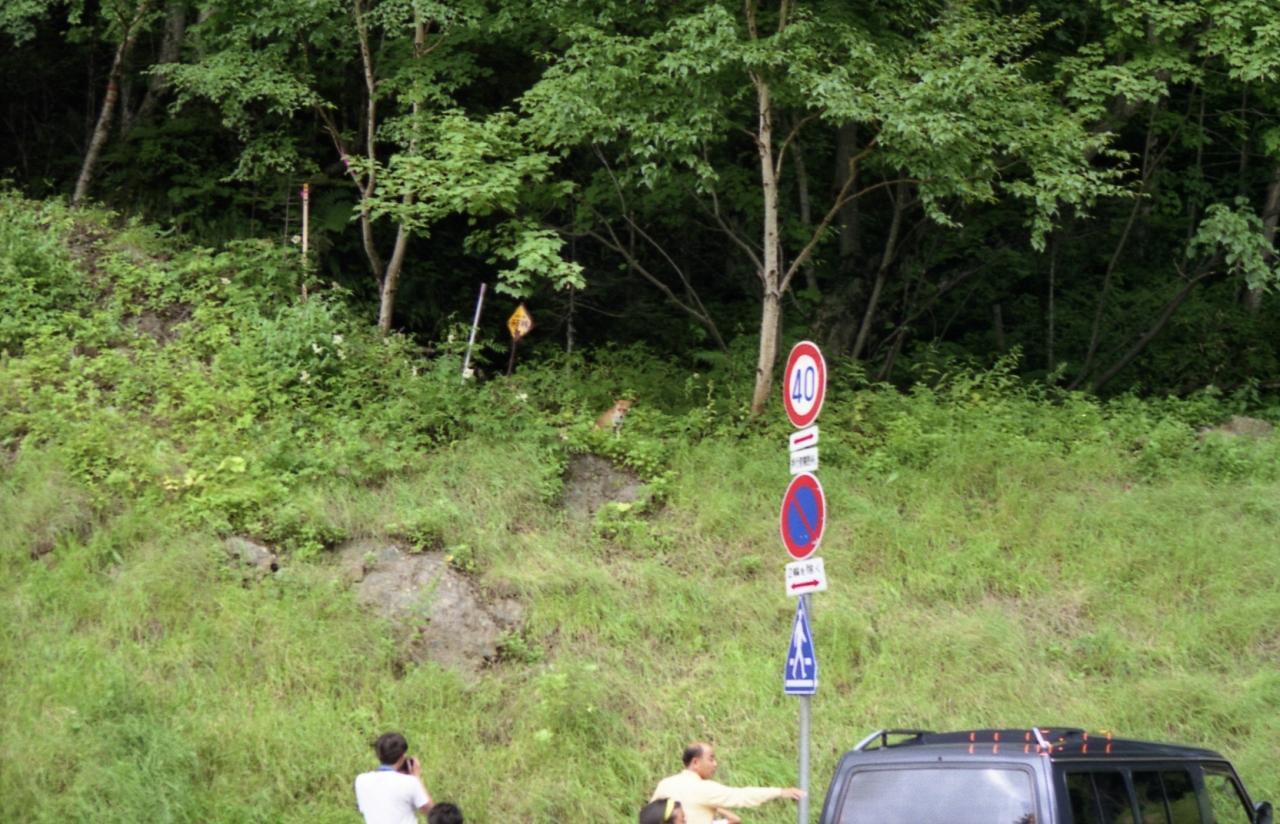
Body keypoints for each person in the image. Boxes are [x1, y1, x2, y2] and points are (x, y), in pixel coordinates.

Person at [651, 742, 804, 824]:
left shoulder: (665, 784)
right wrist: (780, 792)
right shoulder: (703, 789)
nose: (715, 764)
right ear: (696, 762)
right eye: (711, 759)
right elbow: (741, 796)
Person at [354, 732, 433, 824]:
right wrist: (417, 777)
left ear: (378, 755)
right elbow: (432, 812)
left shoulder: (361, 780)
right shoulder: (410, 782)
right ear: (403, 756)